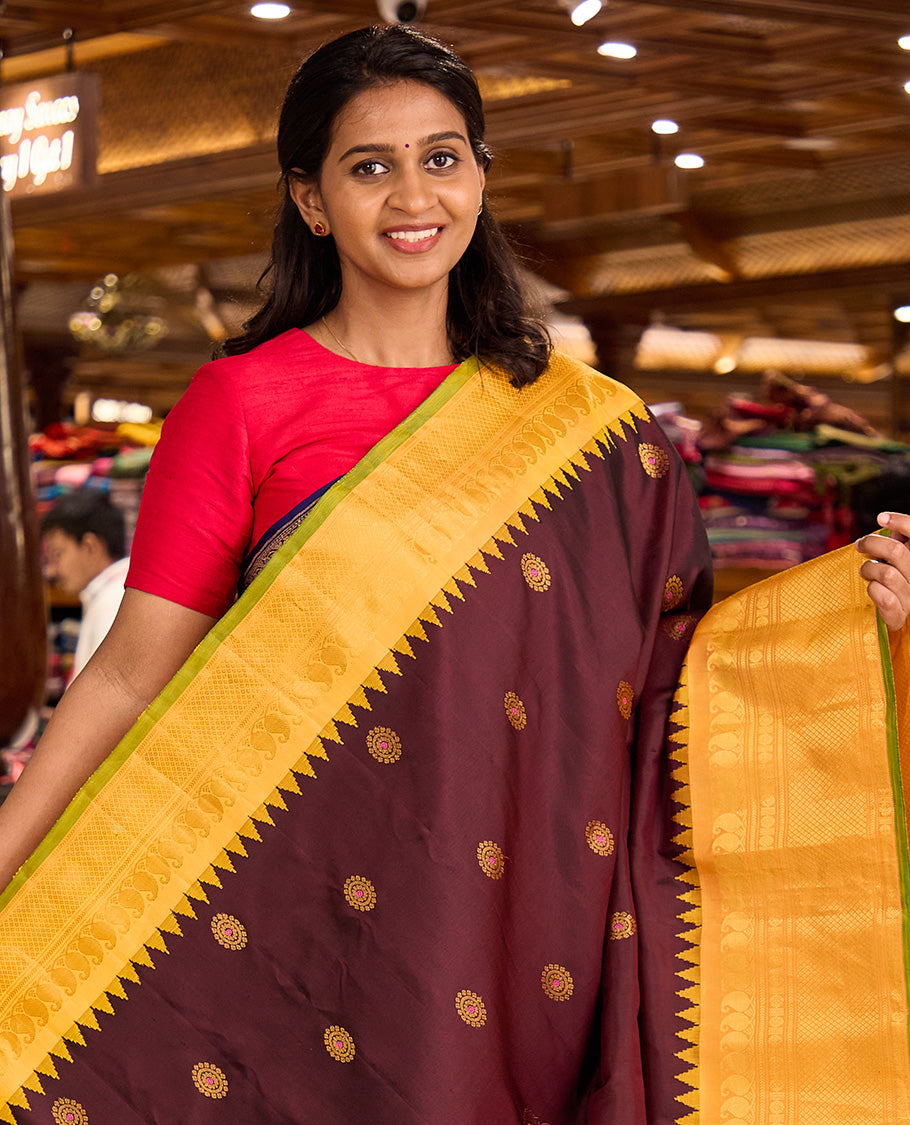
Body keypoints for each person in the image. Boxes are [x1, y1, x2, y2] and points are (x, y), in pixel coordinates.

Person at [0, 24, 908, 1125]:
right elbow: (132, 675)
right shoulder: (242, 403)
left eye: (441, 157)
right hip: (290, 915)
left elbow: (671, 676)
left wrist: (851, 621)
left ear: (479, 174)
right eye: (368, 166)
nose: (411, 196)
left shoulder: (592, 436)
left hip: (516, 928)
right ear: (311, 200)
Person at [40, 489, 130, 681]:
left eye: (58, 554)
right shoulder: (115, 594)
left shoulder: (112, 603)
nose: (51, 571)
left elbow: (109, 694)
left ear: (90, 546)